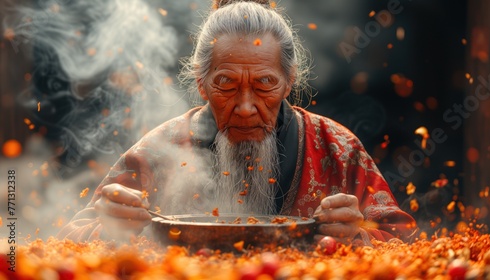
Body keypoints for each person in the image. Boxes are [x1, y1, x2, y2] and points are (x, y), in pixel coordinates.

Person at [58, 0, 417, 245]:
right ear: (201, 82)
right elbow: (71, 240)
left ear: (289, 82)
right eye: (226, 84)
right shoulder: (158, 151)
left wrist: (358, 234)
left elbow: (406, 245)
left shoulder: (336, 147)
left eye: (265, 84)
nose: (246, 107)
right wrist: (109, 226)